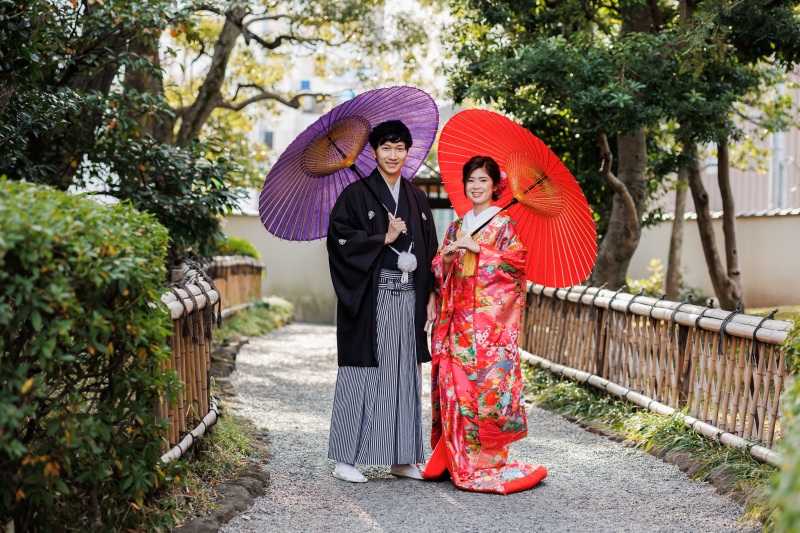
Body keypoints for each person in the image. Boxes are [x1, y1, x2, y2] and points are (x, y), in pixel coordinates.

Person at [421, 155, 547, 494]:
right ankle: (451, 454)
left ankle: (482, 462)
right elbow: (439, 268)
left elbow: (517, 267)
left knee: (482, 392)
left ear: (495, 186)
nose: (476, 187)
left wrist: (480, 249)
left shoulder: (503, 224)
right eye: (471, 181)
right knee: (453, 388)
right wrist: (446, 259)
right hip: (455, 321)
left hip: (488, 329)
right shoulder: (457, 223)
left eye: (483, 181)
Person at [326, 120, 438, 483]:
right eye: (386, 148)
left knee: (404, 374)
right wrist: (381, 237)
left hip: (409, 297)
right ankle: (345, 458)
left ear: (408, 153)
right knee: (362, 374)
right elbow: (340, 241)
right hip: (371, 299)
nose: (393, 155)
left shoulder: (417, 197)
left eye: (399, 148)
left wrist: (433, 292)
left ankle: (401, 457)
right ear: (373, 152)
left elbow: (430, 248)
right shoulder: (355, 195)